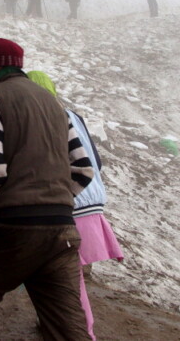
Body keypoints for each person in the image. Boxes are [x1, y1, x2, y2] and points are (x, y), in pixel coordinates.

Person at [0, 38, 94, 340]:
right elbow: (84, 169)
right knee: (67, 325)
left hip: (16, 227)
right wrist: (56, 200)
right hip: (63, 230)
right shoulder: (55, 104)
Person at [27, 71, 124, 340]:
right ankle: (57, 325)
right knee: (71, 277)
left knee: (67, 282)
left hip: (70, 205)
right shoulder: (73, 115)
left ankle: (83, 333)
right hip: (92, 200)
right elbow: (96, 161)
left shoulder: (42, 117)